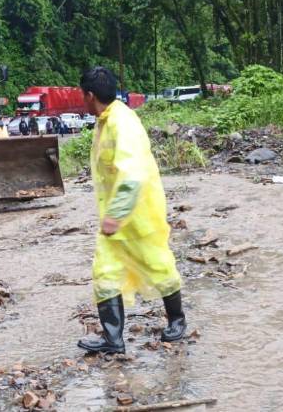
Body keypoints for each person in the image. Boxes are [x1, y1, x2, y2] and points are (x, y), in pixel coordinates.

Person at [76, 66, 185, 355]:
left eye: (82, 96)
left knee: (158, 266)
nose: (82, 101)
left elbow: (133, 174)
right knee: (105, 272)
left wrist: (117, 214)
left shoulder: (122, 122)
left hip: (138, 215)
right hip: (114, 217)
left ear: (89, 95)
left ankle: (177, 320)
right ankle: (113, 339)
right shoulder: (105, 120)